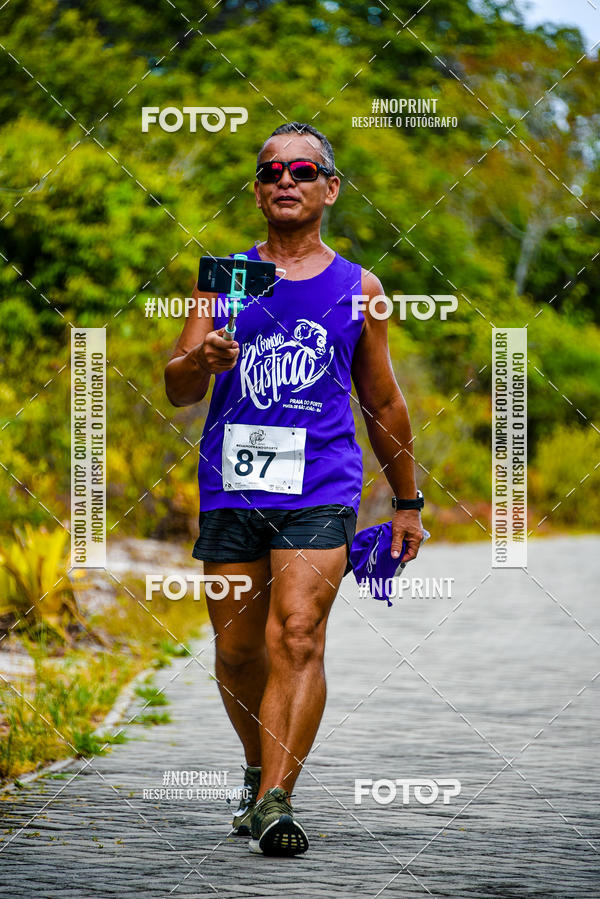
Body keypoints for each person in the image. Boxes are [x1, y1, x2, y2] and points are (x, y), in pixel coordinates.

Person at [164, 122, 424, 856]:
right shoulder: (227, 277)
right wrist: (204, 359)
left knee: (299, 634)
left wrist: (407, 503)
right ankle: (256, 765)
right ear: (256, 189)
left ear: (330, 189)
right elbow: (177, 385)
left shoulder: (358, 288)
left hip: (321, 486)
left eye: (304, 170)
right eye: (272, 170)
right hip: (233, 486)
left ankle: (278, 798)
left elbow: (384, 403)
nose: (287, 178)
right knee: (238, 652)